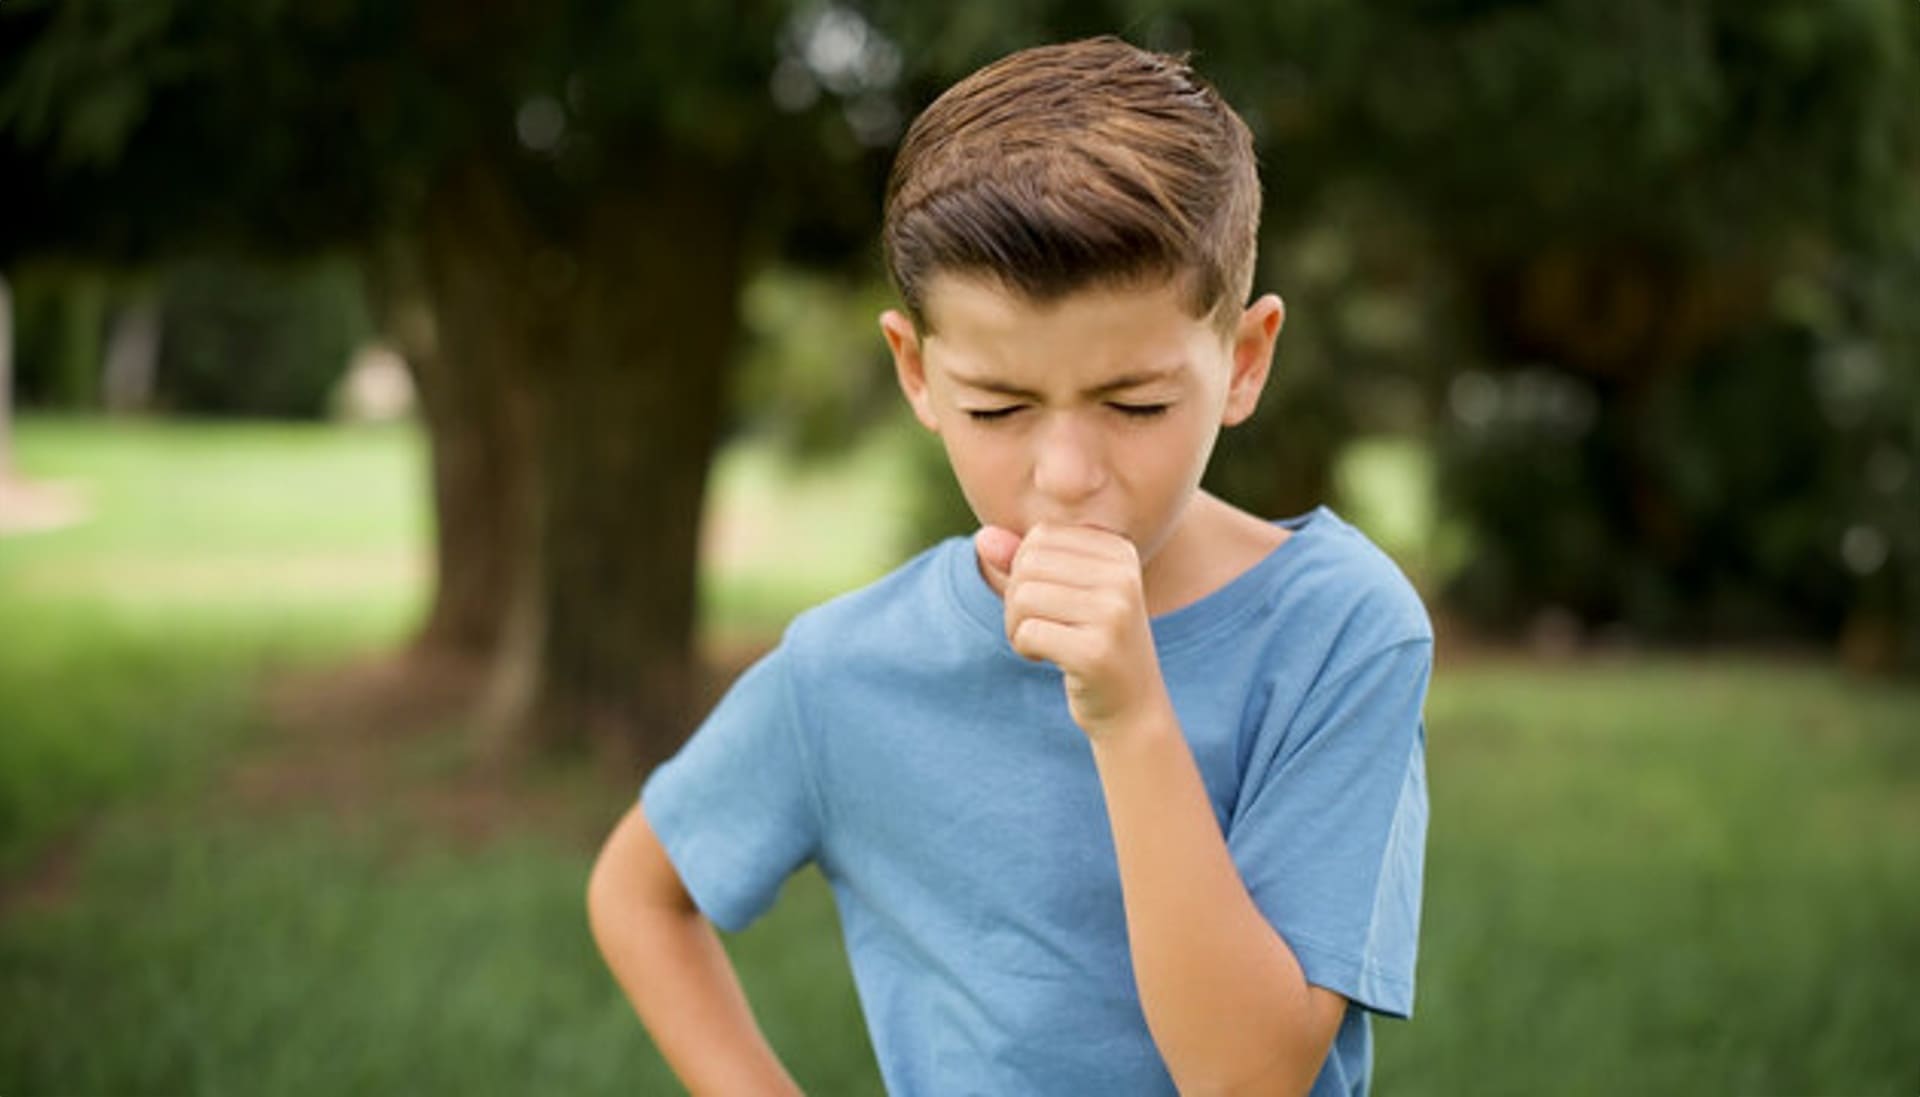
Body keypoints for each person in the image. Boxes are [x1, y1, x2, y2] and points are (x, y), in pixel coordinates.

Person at [587, 35, 1431, 1097]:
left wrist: (1130, 715)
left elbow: (1249, 1077)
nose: (1067, 475)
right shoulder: (851, 666)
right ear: (917, 371)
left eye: (1135, 404)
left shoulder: (1341, 631)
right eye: (999, 408)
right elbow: (639, 892)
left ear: (1246, 360)